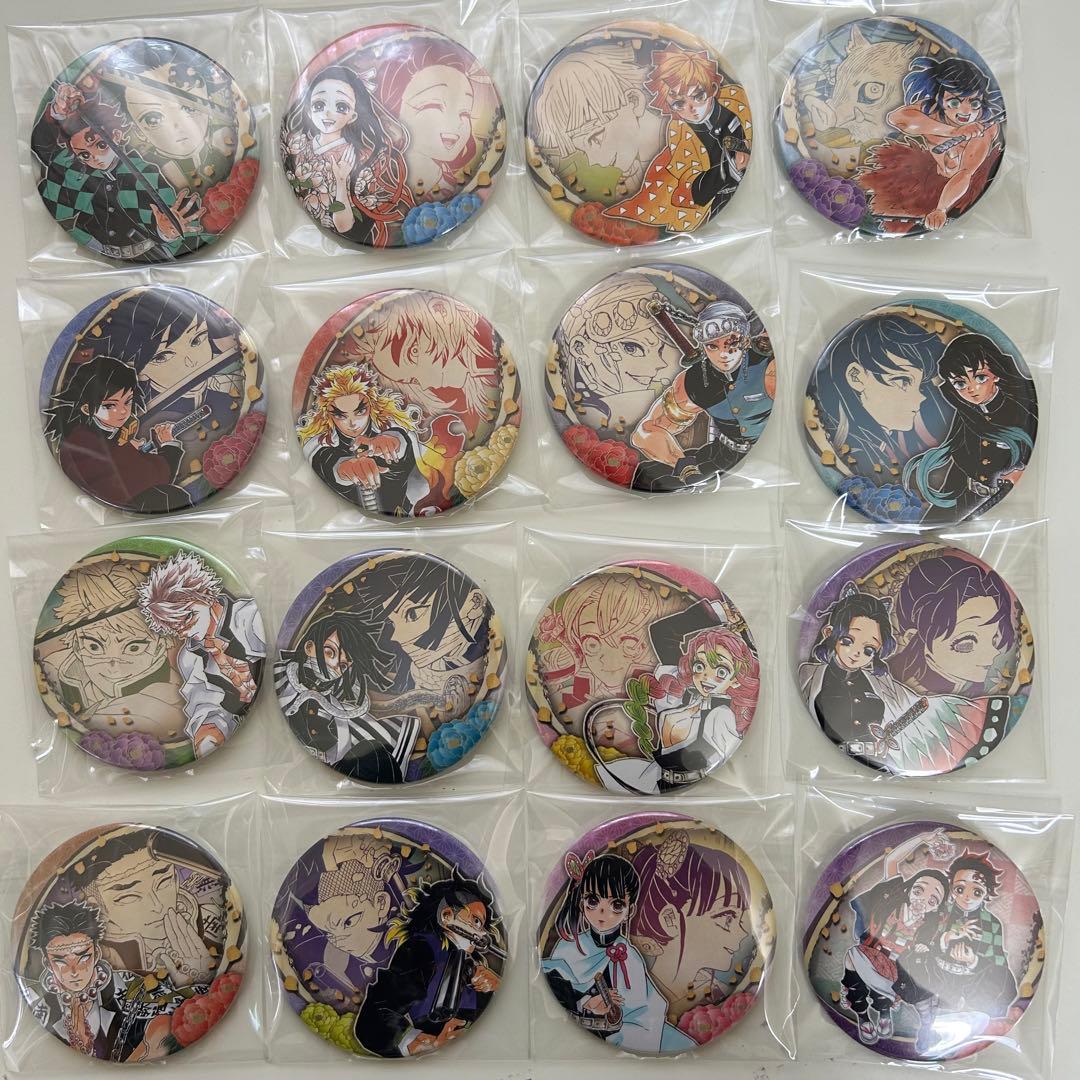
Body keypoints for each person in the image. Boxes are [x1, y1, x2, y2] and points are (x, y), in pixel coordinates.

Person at [799, 583, 985, 775]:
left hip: (877, 767)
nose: (856, 653)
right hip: (830, 762)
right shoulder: (809, 675)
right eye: (847, 641)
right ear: (829, 633)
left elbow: (917, 705)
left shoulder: (881, 684)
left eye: (869, 650)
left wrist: (976, 713)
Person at [591, 600, 758, 793]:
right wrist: (718, 612)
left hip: (691, 790)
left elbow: (722, 762)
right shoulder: (677, 690)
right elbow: (662, 632)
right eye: (699, 665)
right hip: (651, 779)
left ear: (736, 681)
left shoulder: (721, 716)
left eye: (721, 671)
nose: (706, 676)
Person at [542, 851, 695, 1053]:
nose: (602, 912)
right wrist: (585, 1002)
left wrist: (618, 1016)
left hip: (625, 1040)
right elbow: (553, 985)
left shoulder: (630, 957)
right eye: (593, 901)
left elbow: (645, 1010)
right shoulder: (569, 947)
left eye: (616, 905)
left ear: (630, 911)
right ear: (581, 903)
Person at [31, 82, 203, 260]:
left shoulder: (145, 173)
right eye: (84, 154)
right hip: (82, 251)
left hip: (144, 257)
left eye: (101, 145)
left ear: (117, 135)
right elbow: (43, 147)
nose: (95, 157)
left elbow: (162, 218)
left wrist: (164, 232)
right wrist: (58, 113)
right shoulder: (76, 169)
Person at [603, 47, 750, 234]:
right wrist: (731, 168)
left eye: (698, 96)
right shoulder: (680, 134)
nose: (692, 108)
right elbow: (691, 190)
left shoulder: (733, 105)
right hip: (710, 203)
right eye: (679, 104)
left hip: (736, 203)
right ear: (669, 106)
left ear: (713, 89)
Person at [632, 299, 774, 488]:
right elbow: (647, 431)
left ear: (745, 340)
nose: (723, 354)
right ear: (704, 346)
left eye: (731, 343)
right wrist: (683, 465)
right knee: (647, 478)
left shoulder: (768, 368)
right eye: (713, 346)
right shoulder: (694, 380)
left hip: (771, 455)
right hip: (723, 457)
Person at [355, 874, 503, 1056]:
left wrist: (493, 988)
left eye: (481, 925)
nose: (481, 933)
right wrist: (420, 1042)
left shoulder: (465, 964)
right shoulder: (421, 950)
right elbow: (375, 1015)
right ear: (447, 915)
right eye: (476, 921)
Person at [137, 551, 265, 757]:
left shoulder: (247, 618)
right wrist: (208, 734)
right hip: (247, 737)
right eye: (176, 627)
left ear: (205, 595)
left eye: (189, 617)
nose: (186, 632)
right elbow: (202, 700)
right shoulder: (189, 657)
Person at [275, 609, 422, 783]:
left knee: (374, 755)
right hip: (291, 771)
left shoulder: (340, 710)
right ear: (309, 647)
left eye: (343, 665)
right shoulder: (280, 678)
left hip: (329, 778)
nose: (334, 665)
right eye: (329, 652)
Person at [861, 56, 1005, 233]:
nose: (966, 111)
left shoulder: (984, 130)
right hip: (929, 179)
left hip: (962, 195)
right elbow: (896, 118)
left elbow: (965, 173)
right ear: (939, 97)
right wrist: (952, 131)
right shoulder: (932, 111)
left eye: (974, 103)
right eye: (954, 102)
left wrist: (941, 209)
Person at [896, 850, 1018, 1056]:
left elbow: (999, 962)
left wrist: (973, 961)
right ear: (952, 888)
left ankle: (966, 1019)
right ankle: (927, 1019)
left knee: (1004, 979)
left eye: (976, 891)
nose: (967, 897)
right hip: (934, 974)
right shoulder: (940, 911)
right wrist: (945, 940)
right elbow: (920, 939)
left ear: (986, 893)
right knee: (909, 958)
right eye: (960, 889)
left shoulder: (991, 923)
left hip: (969, 981)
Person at [904, 334, 1036, 522]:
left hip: (1005, 506)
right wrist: (937, 515)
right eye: (960, 383)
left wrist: (1018, 473)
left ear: (996, 374)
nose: (971, 389)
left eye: (980, 377)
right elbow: (959, 460)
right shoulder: (965, 413)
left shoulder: (1020, 410)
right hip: (966, 498)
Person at [837, 830, 950, 1045]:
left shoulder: (928, 928)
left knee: (884, 994)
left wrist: (925, 948)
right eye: (919, 891)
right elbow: (891, 861)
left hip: (893, 967)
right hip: (868, 952)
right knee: (854, 969)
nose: (922, 900)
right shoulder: (891, 899)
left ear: (935, 908)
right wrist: (922, 838)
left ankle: (884, 1014)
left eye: (932, 900)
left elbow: (931, 951)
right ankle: (863, 1017)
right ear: (909, 889)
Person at [629, 832, 759, 1017]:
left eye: (739, 919)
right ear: (670, 920)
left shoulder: (719, 993)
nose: (743, 933)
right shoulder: (629, 991)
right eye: (727, 918)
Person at [281, 64, 413, 246]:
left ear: (353, 115)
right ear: (309, 111)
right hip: (307, 234)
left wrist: (341, 180)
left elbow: (344, 227)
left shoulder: (361, 157)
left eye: (341, 106)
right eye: (319, 105)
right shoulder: (297, 146)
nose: (328, 113)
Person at [809, 312, 951, 479]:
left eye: (919, 386)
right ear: (856, 377)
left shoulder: (887, 443)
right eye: (903, 381)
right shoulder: (845, 448)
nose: (921, 397)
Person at [43, 354, 190, 510]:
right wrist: (169, 445)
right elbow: (155, 477)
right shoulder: (82, 444)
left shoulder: (95, 436)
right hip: (104, 510)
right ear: (86, 409)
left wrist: (129, 449)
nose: (123, 411)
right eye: (110, 406)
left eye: (128, 401)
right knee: (169, 496)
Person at [530, 42, 661, 197]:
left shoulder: (682, 144)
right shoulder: (631, 174)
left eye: (596, 138)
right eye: (581, 151)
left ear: (634, 101)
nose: (593, 162)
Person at [296, 362, 429, 514]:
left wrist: (391, 442)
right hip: (348, 519)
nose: (352, 423)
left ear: (372, 405)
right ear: (327, 416)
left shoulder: (392, 431)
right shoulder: (323, 449)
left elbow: (401, 440)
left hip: (410, 516)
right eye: (340, 416)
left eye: (360, 411)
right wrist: (345, 468)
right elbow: (327, 462)